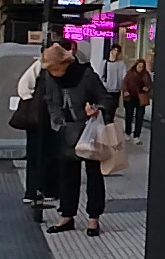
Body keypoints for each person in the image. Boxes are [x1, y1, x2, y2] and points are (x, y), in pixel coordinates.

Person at [41, 41, 113, 236]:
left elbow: (106, 98)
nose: (52, 72)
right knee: (67, 175)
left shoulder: (85, 75)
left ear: (64, 63)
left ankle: (93, 219)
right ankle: (67, 216)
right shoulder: (50, 77)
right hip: (65, 131)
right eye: (49, 69)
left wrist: (97, 110)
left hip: (89, 131)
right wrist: (56, 121)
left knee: (94, 175)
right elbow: (50, 99)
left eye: (55, 68)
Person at [17, 38, 77, 206]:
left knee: (50, 153)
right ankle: (36, 190)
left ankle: (46, 189)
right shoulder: (40, 66)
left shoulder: (62, 68)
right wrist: (33, 103)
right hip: (40, 117)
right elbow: (24, 87)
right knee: (39, 153)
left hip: (51, 116)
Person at [121, 58, 152, 145]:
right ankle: (127, 132)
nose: (140, 68)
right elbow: (124, 83)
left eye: (142, 67)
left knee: (139, 117)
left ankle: (136, 135)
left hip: (141, 98)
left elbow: (149, 84)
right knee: (129, 116)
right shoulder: (130, 73)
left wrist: (147, 88)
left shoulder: (145, 74)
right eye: (139, 66)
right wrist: (125, 91)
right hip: (130, 97)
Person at [101, 44, 127, 116]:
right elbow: (101, 76)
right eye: (114, 50)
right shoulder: (105, 63)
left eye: (117, 51)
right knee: (106, 109)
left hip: (116, 91)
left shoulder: (121, 64)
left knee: (113, 109)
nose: (116, 53)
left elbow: (124, 77)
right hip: (106, 90)